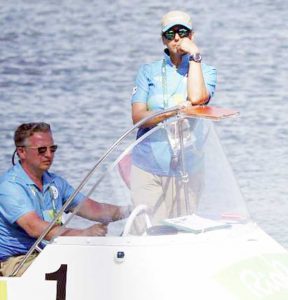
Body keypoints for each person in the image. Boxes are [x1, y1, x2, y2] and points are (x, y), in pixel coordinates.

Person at [0, 122, 128, 276]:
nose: (49, 155)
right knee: (79, 272)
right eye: (41, 150)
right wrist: (83, 234)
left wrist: (130, 210)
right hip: (14, 260)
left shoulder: (55, 183)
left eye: (52, 149)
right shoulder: (10, 186)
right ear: (21, 152)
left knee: (107, 263)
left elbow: (95, 210)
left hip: (44, 253)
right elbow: (35, 228)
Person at [130, 10, 217, 232]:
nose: (176, 38)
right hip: (147, 165)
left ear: (192, 36)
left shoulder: (206, 71)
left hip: (187, 168)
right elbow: (138, 118)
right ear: (163, 39)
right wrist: (172, 112)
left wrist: (195, 56)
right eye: (170, 33)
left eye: (182, 33)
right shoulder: (147, 72)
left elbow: (197, 98)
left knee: (181, 233)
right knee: (149, 232)